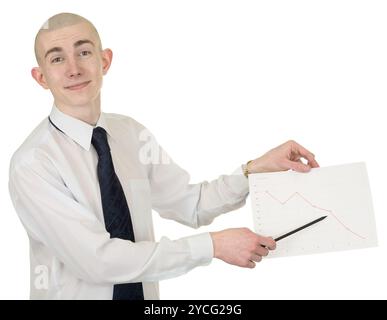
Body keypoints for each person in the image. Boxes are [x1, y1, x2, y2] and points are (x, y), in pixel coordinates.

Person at [8, 13, 319, 300]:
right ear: (41, 77)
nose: (73, 68)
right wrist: (213, 246)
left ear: (105, 61)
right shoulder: (33, 163)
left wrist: (254, 170)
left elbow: (191, 205)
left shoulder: (131, 134)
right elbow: (98, 261)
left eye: (84, 52)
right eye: (57, 58)